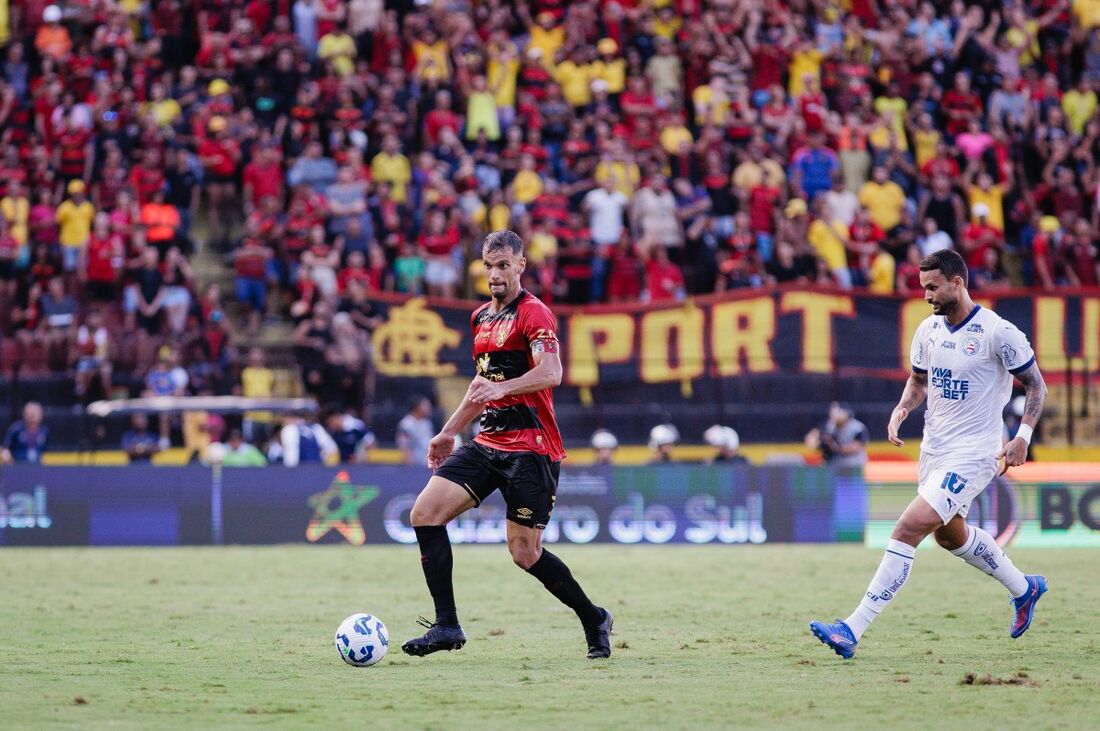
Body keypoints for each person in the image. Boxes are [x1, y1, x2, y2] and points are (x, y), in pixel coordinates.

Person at [810, 249, 1048, 659]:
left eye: (933, 287)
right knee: (949, 535)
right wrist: (903, 408)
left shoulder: (998, 332)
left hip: (976, 453)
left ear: (958, 282)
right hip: (935, 450)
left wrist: (1023, 436)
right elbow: (919, 380)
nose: (926, 295)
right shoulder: (928, 331)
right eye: (923, 288)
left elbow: (1036, 385)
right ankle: (1024, 588)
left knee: (907, 528)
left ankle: (851, 628)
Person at [402, 230, 612, 660]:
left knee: (524, 553)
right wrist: (449, 431)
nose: (494, 274)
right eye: (488, 266)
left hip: (532, 448)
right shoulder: (480, 317)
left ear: (520, 265)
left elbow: (551, 372)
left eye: (503, 265)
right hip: (487, 442)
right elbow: (481, 384)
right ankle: (447, 625)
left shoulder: (535, 313)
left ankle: (594, 618)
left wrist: (505, 388)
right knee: (424, 514)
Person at [803, 402, 868, 468]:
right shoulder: (829, 425)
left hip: (852, 463)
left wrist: (836, 447)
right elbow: (813, 436)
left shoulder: (857, 427)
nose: (833, 414)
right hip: (833, 463)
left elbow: (855, 448)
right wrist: (816, 443)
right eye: (832, 412)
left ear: (845, 413)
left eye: (837, 412)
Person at [395, 397, 435, 466]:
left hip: (427, 463)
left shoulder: (427, 423)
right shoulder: (406, 424)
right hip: (414, 464)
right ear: (417, 407)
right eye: (425, 405)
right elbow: (404, 447)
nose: (428, 407)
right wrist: (410, 465)